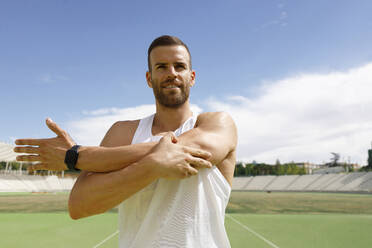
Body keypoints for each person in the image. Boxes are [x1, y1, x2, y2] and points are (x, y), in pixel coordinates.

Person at [14, 35, 237, 248]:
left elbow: (182, 150)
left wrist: (77, 156)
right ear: (149, 79)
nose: (172, 73)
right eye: (161, 67)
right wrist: (150, 167)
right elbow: (79, 206)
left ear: (192, 76)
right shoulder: (123, 132)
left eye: (179, 66)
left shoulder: (218, 123)